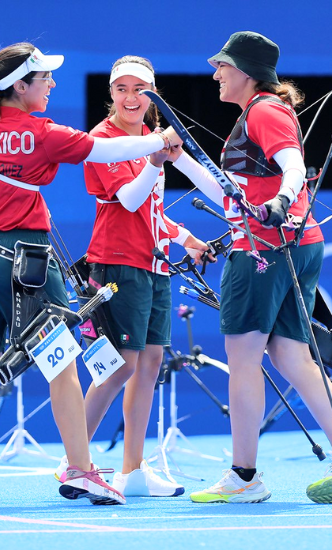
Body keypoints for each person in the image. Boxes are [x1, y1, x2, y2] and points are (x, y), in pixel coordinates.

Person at [0, 42, 182, 506]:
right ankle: (83, 471)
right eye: (44, 78)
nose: (52, 84)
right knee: (62, 365)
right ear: (20, 87)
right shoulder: (43, 132)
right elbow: (109, 149)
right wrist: (160, 142)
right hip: (26, 264)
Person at [169, 31, 332, 504]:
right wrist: (182, 161)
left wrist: (283, 199)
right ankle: (245, 476)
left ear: (244, 70)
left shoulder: (264, 110)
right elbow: (231, 197)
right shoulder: (257, 113)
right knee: (292, 358)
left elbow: (295, 166)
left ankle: (244, 478)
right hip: (290, 245)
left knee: (244, 360)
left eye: (222, 66)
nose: (215, 73)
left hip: (265, 249)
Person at [52, 56, 213, 498]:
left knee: (151, 364)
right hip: (118, 264)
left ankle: (133, 469)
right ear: (111, 94)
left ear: (152, 95)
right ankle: (74, 462)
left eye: (139, 89)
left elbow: (153, 211)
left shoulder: (149, 139)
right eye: (121, 88)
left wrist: (188, 239)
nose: (129, 97)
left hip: (155, 265)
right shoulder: (102, 140)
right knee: (121, 365)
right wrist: (157, 160)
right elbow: (126, 199)